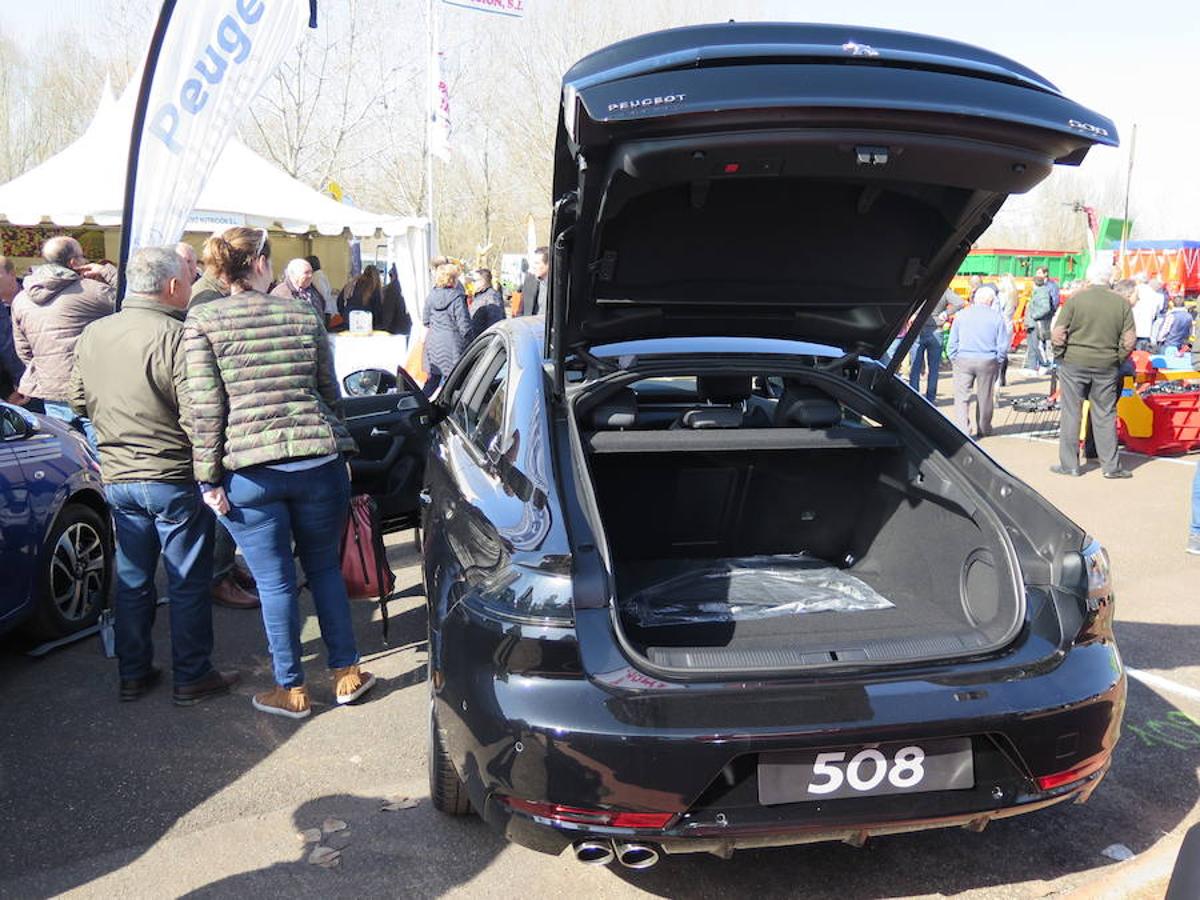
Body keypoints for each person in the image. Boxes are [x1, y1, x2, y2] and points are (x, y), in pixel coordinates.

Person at [185, 226, 374, 718]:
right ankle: (347, 673)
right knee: (324, 569)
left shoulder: (202, 320)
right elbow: (329, 391)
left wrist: (207, 479)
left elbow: (205, 410)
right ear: (263, 263)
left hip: (250, 471)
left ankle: (291, 689)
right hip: (317, 460)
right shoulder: (300, 312)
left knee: (274, 584)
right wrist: (344, 451)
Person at [68, 247, 239, 705]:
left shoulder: (94, 334)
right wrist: (210, 473)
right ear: (171, 287)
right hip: (171, 475)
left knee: (134, 578)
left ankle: (134, 671)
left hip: (120, 475)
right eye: (185, 277)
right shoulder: (178, 336)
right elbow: (200, 412)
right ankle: (191, 674)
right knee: (184, 579)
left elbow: (78, 402)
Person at [11, 236, 114, 442]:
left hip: (50, 389)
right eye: (82, 257)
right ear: (74, 262)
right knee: (102, 451)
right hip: (90, 387)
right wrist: (107, 272)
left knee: (68, 450)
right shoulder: (91, 291)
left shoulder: (21, 299)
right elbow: (134, 300)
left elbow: (23, 350)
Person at [1050, 259, 1136, 479]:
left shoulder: (1075, 300)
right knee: (1105, 414)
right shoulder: (1122, 303)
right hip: (1106, 365)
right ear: (1110, 279)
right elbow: (1129, 340)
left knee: (1071, 413)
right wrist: (1115, 359)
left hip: (1073, 363)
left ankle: (1070, 465)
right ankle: (1111, 467)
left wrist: (1061, 357)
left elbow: (1059, 333)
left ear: (1089, 277)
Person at [948, 286, 1008, 438]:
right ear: (990, 301)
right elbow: (1003, 345)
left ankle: (963, 430)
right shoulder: (997, 317)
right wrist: (998, 361)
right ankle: (984, 427)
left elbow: (952, 341)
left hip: (963, 359)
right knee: (985, 396)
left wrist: (953, 357)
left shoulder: (961, 315)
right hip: (987, 360)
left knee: (961, 397)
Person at [422, 262, 471, 396]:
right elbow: (464, 327)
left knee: (432, 382)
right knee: (451, 385)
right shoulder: (457, 298)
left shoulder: (431, 296)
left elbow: (425, 321)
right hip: (452, 347)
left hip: (432, 345)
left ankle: (419, 406)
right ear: (453, 279)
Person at [908, 289, 956, 403]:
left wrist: (914, 313)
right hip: (937, 331)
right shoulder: (944, 290)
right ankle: (930, 399)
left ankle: (913, 397)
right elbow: (960, 303)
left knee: (915, 367)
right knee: (934, 369)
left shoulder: (923, 287)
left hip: (918, 330)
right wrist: (946, 313)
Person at [0, 255, 26, 404]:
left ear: (12, 273)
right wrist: (7, 392)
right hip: (9, 392)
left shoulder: (36, 298)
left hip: (42, 386)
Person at [1023, 267, 1057, 374]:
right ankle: (1031, 366)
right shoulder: (1037, 292)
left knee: (1038, 345)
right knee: (1032, 344)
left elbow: (1046, 307)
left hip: (1037, 321)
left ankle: (1045, 364)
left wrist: (1034, 315)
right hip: (1032, 322)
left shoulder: (1043, 291)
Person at [467, 268, 505, 341]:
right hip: (476, 339)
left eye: (475, 281)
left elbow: (494, 323)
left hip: (484, 341)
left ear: (483, 281)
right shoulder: (480, 295)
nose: (472, 283)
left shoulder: (491, 296)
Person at [1131, 273, 1165, 351]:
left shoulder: (1135, 290)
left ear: (1138, 280)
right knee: (1142, 357)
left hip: (1133, 328)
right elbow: (1157, 312)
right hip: (1146, 329)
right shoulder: (1154, 294)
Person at [379, 265, 412, 336]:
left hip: (395, 332)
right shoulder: (411, 285)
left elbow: (388, 314)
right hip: (408, 330)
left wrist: (383, 329)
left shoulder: (392, 288)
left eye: (390, 275)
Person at [516, 246, 548, 317]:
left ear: (548, 265)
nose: (534, 266)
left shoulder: (558, 286)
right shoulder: (529, 281)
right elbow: (521, 310)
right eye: (534, 263)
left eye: (537, 263)